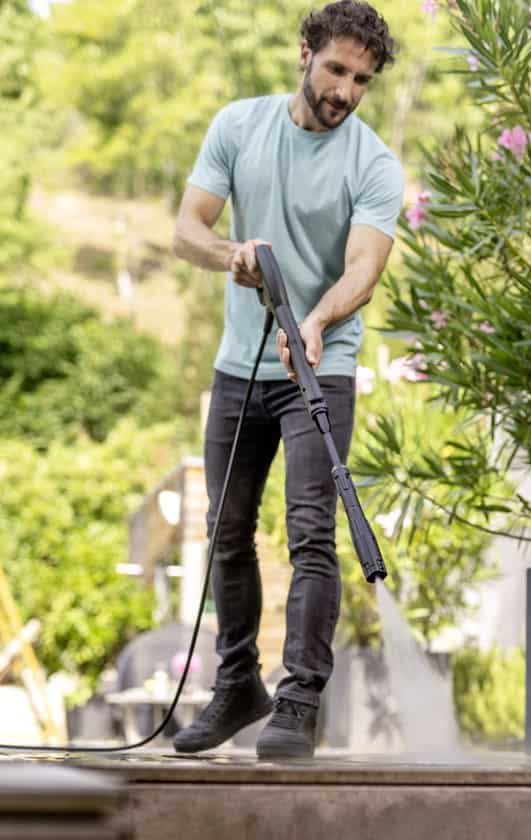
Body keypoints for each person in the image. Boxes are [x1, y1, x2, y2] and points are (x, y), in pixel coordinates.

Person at [171, 0, 404, 759]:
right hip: (241, 363)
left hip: (320, 363)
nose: (345, 92)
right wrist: (231, 255)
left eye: (361, 80)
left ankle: (299, 700)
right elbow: (187, 231)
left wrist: (318, 319)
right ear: (304, 53)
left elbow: (363, 269)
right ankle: (237, 685)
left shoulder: (373, 163)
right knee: (226, 532)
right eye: (336, 70)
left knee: (310, 533)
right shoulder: (239, 126)